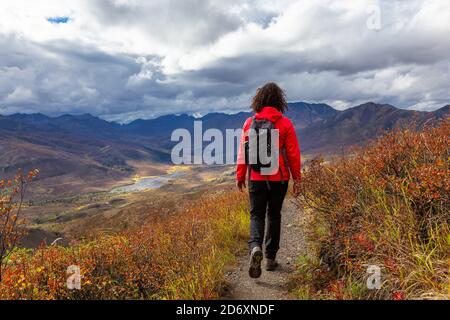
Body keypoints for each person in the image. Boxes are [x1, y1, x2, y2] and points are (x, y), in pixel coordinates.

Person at [236, 82, 301, 278]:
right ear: (279, 101)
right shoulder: (285, 123)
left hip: (256, 177)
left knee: (256, 215)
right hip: (279, 179)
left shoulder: (249, 123)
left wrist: (240, 175)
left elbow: (243, 153)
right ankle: (270, 259)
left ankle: (256, 247)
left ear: (259, 100)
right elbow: (293, 154)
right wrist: (297, 178)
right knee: (274, 214)